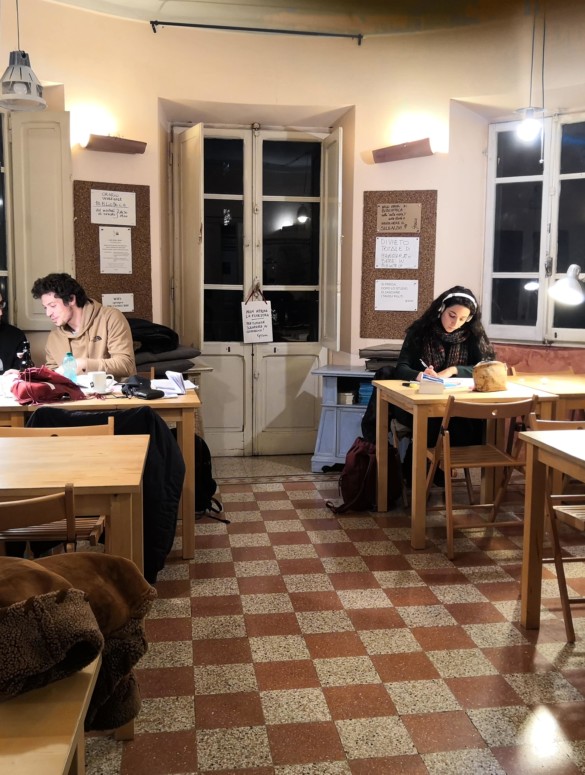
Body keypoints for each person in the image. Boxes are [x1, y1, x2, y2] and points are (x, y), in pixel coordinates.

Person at [362, 286, 495, 483]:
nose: (455, 323)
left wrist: (453, 370)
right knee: (434, 421)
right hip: (416, 403)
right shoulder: (420, 332)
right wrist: (421, 375)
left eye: (462, 318)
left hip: (453, 406)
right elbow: (401, 367)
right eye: (451, 315)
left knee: (455, 422)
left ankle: (425, 470)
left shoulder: (471, 336)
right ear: (441, 309)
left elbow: (485, 368)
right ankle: (422, 471)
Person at [31, 273, 136, 380]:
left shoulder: (110, 318)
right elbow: (52, 374)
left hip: (111, 390)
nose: (48, 313)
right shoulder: (54, 337)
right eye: (45, 308)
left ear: (71, 299)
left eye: (53, 306)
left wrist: (83, 365)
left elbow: (126, 365)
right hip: (72, 391)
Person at [0, 291, 28, 373]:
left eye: (1, 304)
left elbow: (23, 372)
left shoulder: (17, 336)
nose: (1, 313)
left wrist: (20, 374)